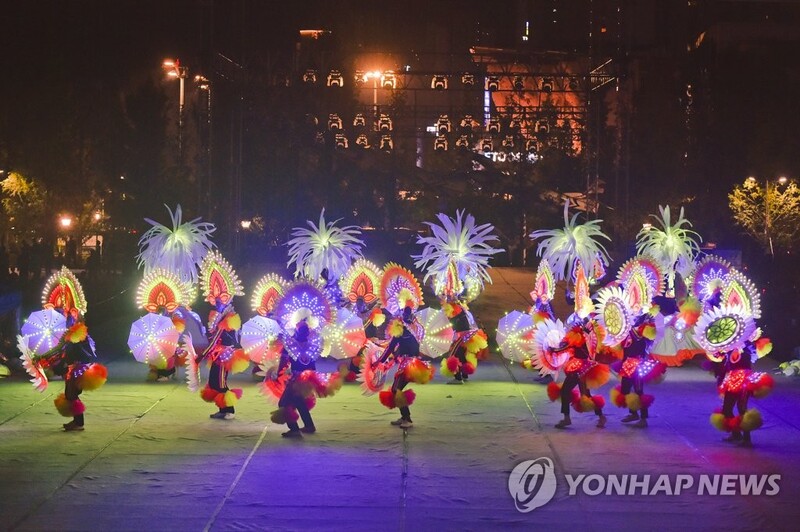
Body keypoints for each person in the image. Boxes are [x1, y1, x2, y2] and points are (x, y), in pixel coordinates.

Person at [375, 305, 434, 428]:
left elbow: (394, 347)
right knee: (396, 389)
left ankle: (407, 419)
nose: (405, 316)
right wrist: (382, 361)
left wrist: (380, 361)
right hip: (406, 364)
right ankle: (404, 417)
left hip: (411, 365)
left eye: (408, 313)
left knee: (396, 389)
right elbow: (392, 347)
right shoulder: (407, 328)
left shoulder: (411, 328)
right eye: (404, 314)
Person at [709, 339, 774, 447]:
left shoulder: (747, 346)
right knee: (726, 409)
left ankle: (747, 439)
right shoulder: (727, 347)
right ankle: (736, 434)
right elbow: (721, 359)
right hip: (731, 380)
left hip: (744, 381)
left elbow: (751, 353)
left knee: (742, 409)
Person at [547, 321, 609, 429]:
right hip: (578, 367)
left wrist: (554, 350)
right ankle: (568, 418)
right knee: (570, 392)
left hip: (581, 369)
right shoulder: (580, 336)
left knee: (580, 394)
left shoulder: (582, 337)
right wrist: (555, 350)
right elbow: (566, 347)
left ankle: (600, 416)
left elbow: (565, 347)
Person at [610, 313, 665, 428]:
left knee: (639, 391)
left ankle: (643, 419)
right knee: (625, 390)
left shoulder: (643, 334)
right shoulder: (628, 333)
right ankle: (634, 413)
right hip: (626, 365)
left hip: (637, 366)